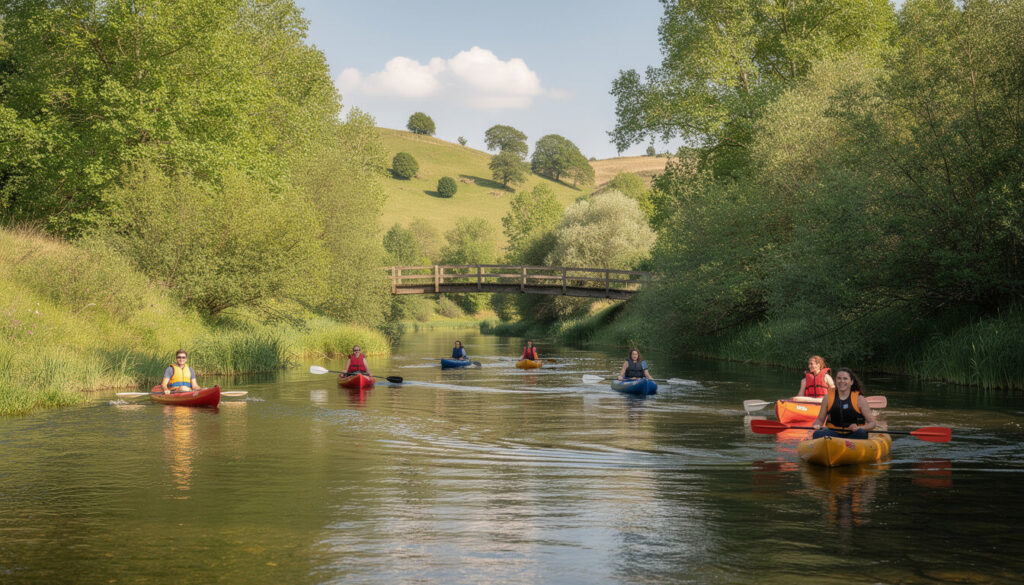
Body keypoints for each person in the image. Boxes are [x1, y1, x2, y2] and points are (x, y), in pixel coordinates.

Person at [811, 367, 877, 439]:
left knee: (861, 433)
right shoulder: (827, 398)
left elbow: (872, 423)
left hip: (854, 434)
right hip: (833, 433)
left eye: (845, 379)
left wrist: (859, 428)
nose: (842, 381)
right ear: (835, 381)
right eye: (839, 378)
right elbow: (820, 420)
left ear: (851, 382)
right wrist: (816, 425)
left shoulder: (860, 399)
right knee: (817, 434)